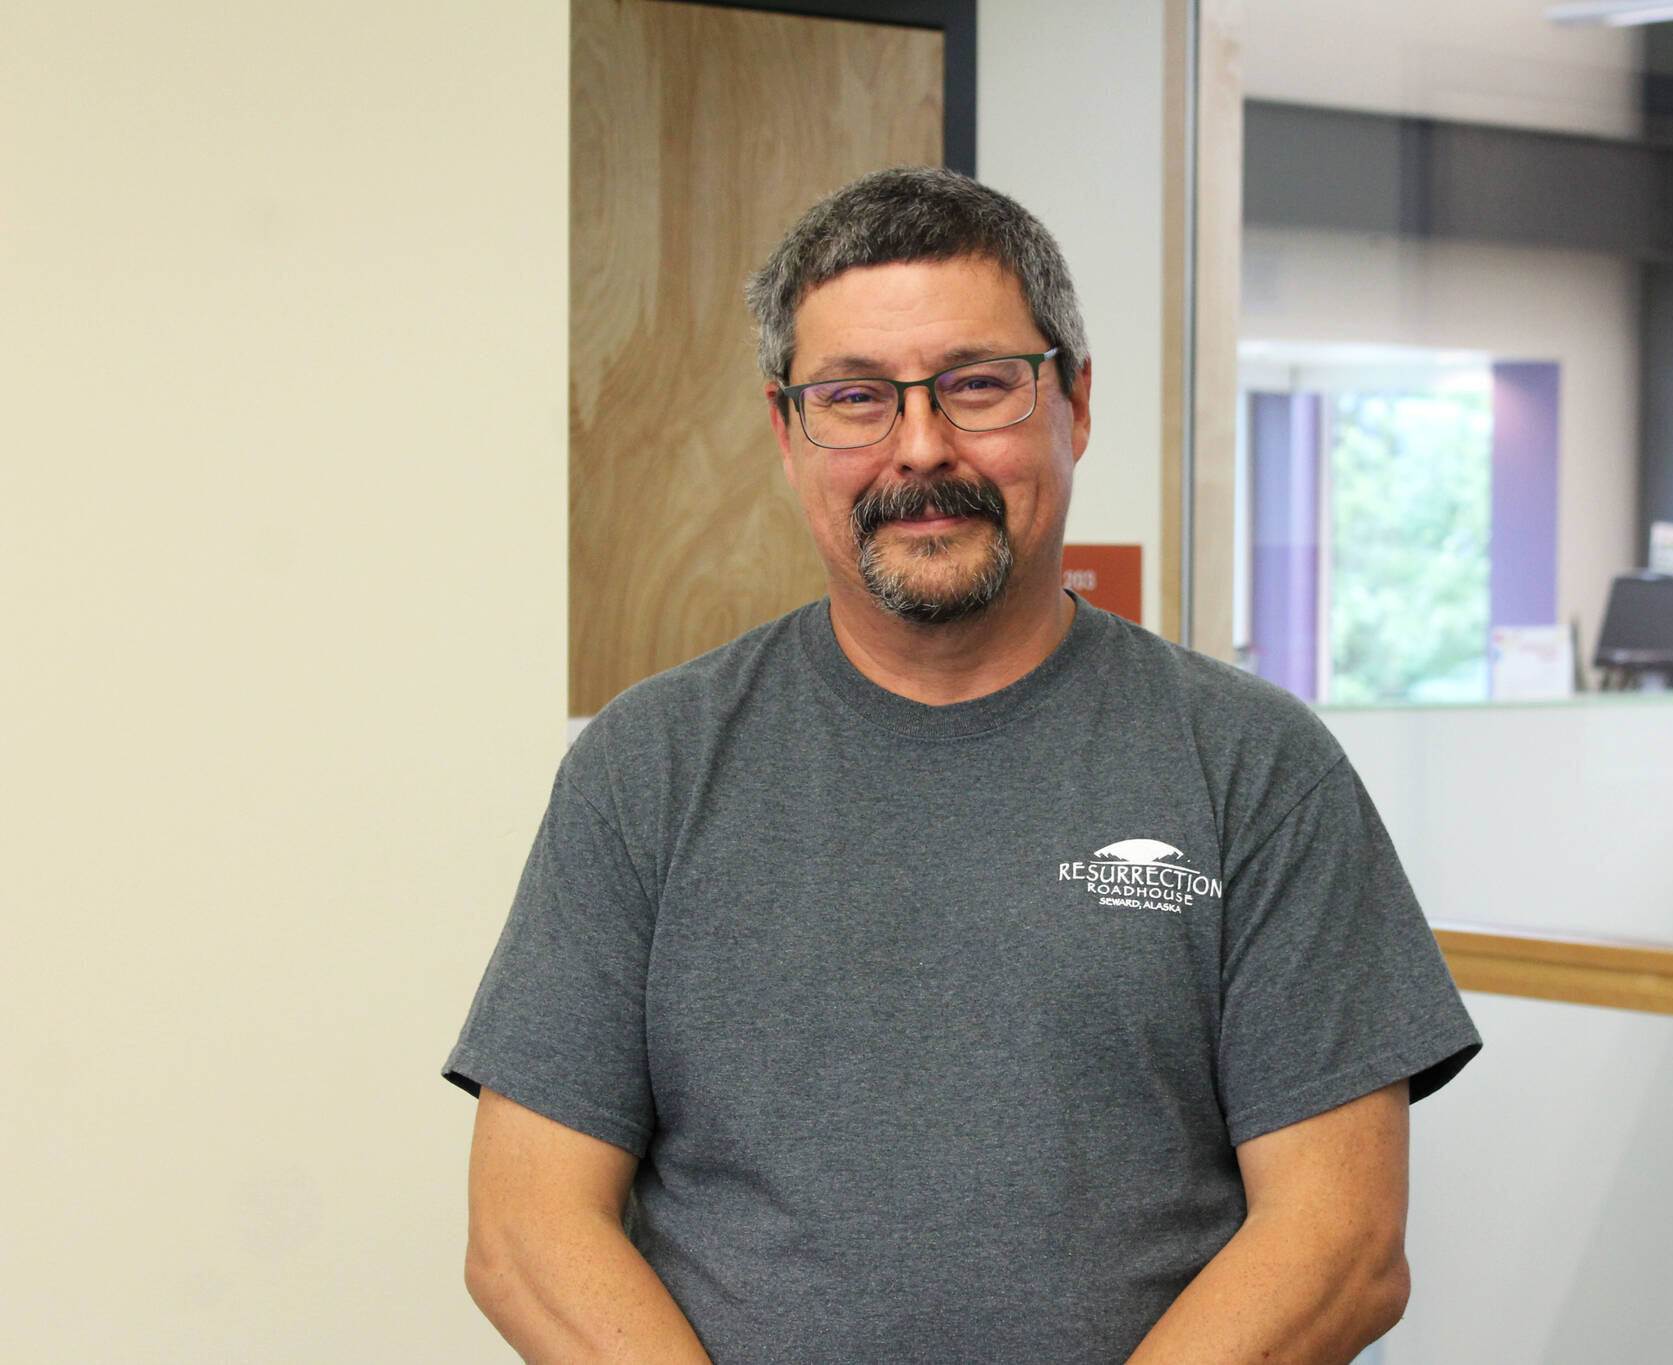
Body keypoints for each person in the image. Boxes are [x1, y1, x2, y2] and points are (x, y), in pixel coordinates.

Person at [446, 166, 1479, 1365]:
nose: (920, 449)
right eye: (854, 398)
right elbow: (526, 1229)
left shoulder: (1252, 769)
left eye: (978, 387)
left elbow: (1341, 1243)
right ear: (786, 433)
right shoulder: (647, 769)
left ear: (1074, 406)